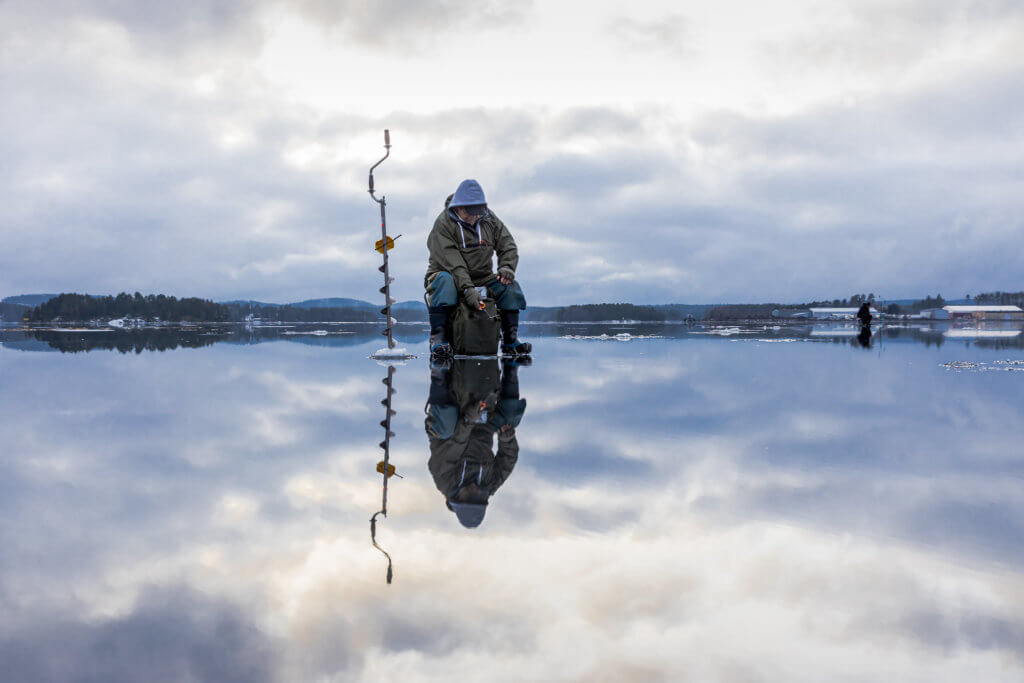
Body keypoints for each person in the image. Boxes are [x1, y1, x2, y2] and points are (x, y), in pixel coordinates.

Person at [424, 179, 532, 359]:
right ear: (458, 207)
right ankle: (439, 339)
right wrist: (468, 289)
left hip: (482, 276)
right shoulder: (443, 224)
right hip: (449, 273)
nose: (473, 218)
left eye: (477, 213)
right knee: (445, 282)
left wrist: (507, 267)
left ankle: (510, 341)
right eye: (469, 213)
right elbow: (454, 263)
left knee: (509, 287)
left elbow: (508, 244)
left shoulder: (489, 218)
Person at [425, 358, 527, 528]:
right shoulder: (490, 486)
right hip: (482, 425)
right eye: (478, 500)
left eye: (469, 499)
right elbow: (508, 459)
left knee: (445, 423)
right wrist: (507, 439)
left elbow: (455, 444)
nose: (475, 494)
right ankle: (511, 365)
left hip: (451, 430)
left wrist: (469, 419)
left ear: (459, 500)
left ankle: (439, 371)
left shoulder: (444, 481)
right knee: (510, 416)